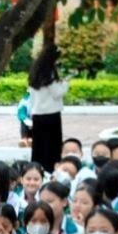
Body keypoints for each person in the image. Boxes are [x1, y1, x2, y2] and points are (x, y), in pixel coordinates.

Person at [27, 44, 69, 174]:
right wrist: (66, 83)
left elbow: (32, 97)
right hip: (51, 115)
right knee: (53, 147)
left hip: (38, 115)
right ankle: (51, 170)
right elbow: (57, 93)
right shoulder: (49, 73)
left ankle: (36, 170)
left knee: (39, 147)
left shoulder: (34, 73)